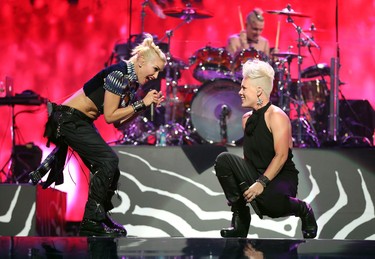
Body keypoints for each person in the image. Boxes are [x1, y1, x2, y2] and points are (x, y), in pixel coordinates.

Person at [29, 34, 166, 237]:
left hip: (80, 122)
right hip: (68, 120)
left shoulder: (131, 82)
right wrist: (140, 103)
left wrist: (142, 108)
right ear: (141, 61)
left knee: (111, 168)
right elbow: (110, 116)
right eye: (155, 70)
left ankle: (99, 215)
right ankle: (91, 220)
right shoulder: (118, 74)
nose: (156, 76)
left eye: (159, 72)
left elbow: (119, 123)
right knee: (108, 160)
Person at [214, 59, 317, 238]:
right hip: (256, 173)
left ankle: (303, 209)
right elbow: (248, 158)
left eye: (244, 88)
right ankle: (240, 219)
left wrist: (260, 183)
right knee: (224, 160)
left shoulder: (277, 116)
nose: (240, 92)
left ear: (259, 90)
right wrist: (239, 186)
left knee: (271, 205)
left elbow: (282, 155)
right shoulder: (247, 119)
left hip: (280, 177)